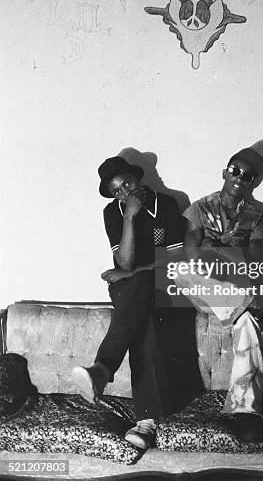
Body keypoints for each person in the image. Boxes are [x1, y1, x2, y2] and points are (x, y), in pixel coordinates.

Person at [71, 155, 186, 450]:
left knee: (142, 289)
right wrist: (130, 217)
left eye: (126, 184)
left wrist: (135, 271)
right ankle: (147, 420)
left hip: (165, 285)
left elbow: (174, 263)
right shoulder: (113, 212)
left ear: (138, 178)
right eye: (117, 191)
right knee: (140, 307)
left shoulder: (168, 204)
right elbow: (122, 260)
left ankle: (103, 369)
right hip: (131, 290)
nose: (124, 193)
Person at [182, 146, 263, 442]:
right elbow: (193, 256)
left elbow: (254, 263)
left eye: (247, 175)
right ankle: (258, 307)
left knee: (249, 323)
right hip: (204, 288)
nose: (239, 177)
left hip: (235, 294)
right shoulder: (200, 208)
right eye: (234, 170)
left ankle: (245, 412)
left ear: (253, 182)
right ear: (224, 173)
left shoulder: (256, 216)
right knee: (183, 272)